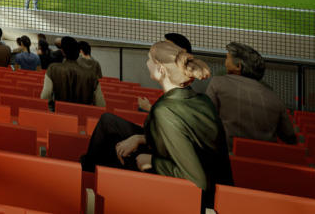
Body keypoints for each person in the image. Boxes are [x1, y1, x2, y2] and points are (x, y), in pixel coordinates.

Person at [80, 40, 231, 207]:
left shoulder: (163, 111)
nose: (146, 63)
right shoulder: (202, 100)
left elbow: (198, 181)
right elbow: (187, 138)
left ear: (161, 70)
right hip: (213, 179)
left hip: (197, 199)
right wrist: (140, 138)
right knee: (108, 121)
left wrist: (152, 161)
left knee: (112, 155)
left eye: (149, 59)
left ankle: (87, 185)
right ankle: (87, 173)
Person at [205, 42, 296, 148]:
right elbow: (290, 137)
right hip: (264, 158)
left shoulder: (218, 83)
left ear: (238, 67)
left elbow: (206, 119)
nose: (225, 63)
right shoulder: (275, 99)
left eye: (227, 59)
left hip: (227, 156)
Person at [40, 36, 104, 106]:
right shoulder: (91, 75)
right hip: (83, 115)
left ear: (62, 51)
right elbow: (101, 104)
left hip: (60, 113)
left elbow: (45, 96)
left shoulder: (52, 69)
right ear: (79, 52)